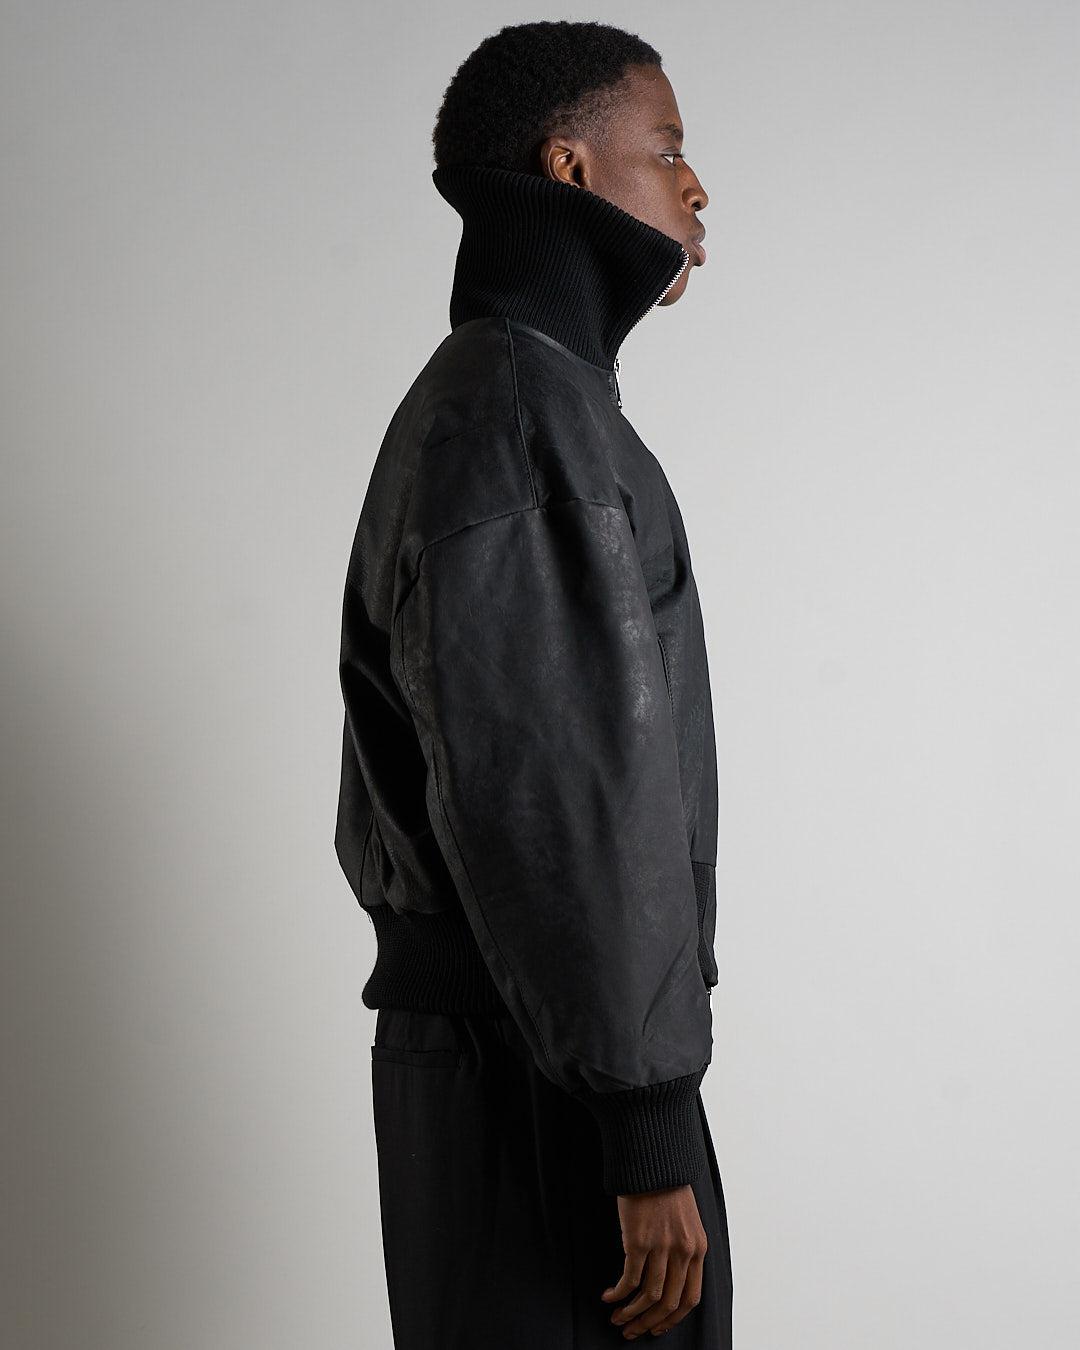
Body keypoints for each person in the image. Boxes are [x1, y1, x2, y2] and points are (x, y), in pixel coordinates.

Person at [334, 19, 733, 1348]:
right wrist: (644, 1124)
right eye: (666, 150)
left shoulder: (527, 399)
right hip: (549, 1083)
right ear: (567, 169)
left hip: (542, 1055)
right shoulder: (519, 414)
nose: (697, 188)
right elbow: (560, 802)